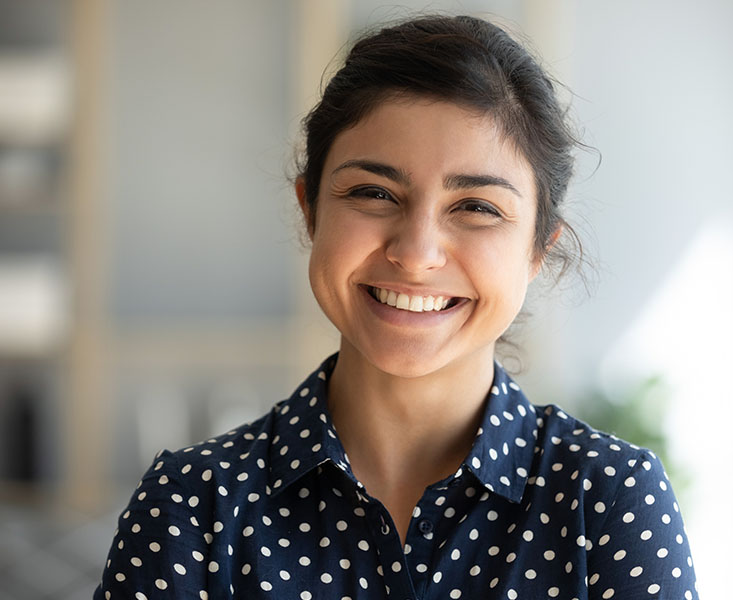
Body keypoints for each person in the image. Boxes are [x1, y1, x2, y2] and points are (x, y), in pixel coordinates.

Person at [95, 15, 699, 599]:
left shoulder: (610, 502)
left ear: (539, 249)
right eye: (373, 193)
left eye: (477, 207)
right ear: (311, 210)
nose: (415, 255)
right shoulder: (191, 506)